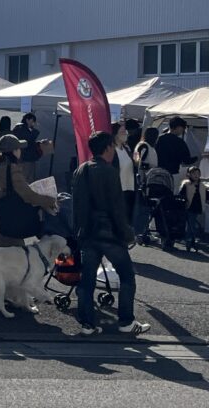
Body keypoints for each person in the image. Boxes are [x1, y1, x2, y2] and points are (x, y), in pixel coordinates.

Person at [71, 131, 150, 336]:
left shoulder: (81, 170)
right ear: (107, 148)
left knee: (86, 280)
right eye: (112, 147)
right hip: (109, 233)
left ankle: (87, 324)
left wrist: (78, 231)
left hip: (87, 233)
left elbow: (76, 206)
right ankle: (126, 322)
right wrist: (127, 233)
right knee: (127, 276)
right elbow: (117, 208)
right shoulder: (109, 171)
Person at [0, 136, 58, 248]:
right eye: (18, 148)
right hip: (5, 219)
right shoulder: (11, 168)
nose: (20, 151)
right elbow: (27, 194)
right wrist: (50, 200)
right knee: (14, 253)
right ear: (13, 151)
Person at [132, 126, 160, 241]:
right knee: (143, 208)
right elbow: (139, 163)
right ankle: (140, 232)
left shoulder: (146, 146)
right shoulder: (144, 146)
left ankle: (144, 231)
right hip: (143, 180)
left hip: (147, 180)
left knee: (145, 208)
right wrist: (151, 168)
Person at [110, 122, 136, 224]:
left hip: (130, 187)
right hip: (119, 188)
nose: (125, 134)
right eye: (122, 132)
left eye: (125, 132)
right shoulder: (112, 150)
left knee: (128, 217)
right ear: (115, 134)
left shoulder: (126, 148)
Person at [178, 165, 206, 251]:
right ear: (189, 174)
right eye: (194, 173)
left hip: (197, 207)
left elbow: (206, 195)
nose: (196, 175)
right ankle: (188, 239)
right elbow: (181, 194)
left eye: (198, 173)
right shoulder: (186, 184)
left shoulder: (202, 186)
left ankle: (190, 239)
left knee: (192, 223)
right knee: (189, 223)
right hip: (188, 206)